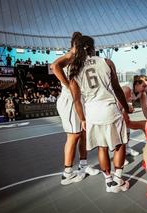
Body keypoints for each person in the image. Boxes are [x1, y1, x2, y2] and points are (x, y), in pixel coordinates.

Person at [69, 35, 131, 193]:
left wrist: (82, 119)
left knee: (102, 148)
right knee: (120, 144)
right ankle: (118, 180)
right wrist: (126, 107)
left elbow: (77, 100)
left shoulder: (74, 68)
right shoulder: (106, 62)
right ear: (91, 47)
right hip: (109, 109)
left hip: (91, 113)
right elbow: (117, 89)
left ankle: (109, 182)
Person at [51, 32, 99, 185]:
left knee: (84, 133)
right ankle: (67, 173)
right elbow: (54, 66)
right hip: (70, 101)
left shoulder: (79, 58)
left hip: (79, 100)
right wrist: (67, 85)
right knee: (74, 136)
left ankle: (83, 166)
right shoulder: (70, 55)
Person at [121, 75, 147, 164]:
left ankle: (126, 148)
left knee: (128, 127)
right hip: (114, 108)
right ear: (137, 84)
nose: (145, 89)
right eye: (144, 86)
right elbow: (116, 105)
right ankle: (119, 154)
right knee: (121, 127)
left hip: (124, 108)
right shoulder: (126, 89)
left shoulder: (142, 93)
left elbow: (145, 110)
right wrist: (126, 108)